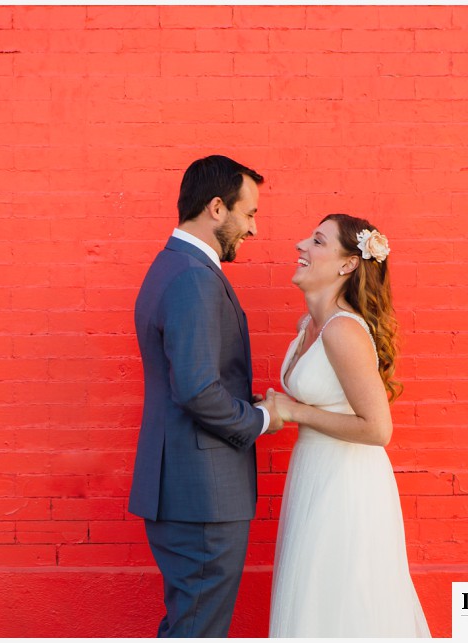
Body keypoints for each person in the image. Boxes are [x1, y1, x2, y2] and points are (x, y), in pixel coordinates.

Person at [129, 155, 285, 637]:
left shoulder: (173, 267)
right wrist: (260, 420)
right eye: (250, 213)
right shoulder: (194, 277)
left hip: (188, 492)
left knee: (190, 625)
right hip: (203, 498)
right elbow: (197, 390)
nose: (253, 230)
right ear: (217, 208)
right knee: (199, 630)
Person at [267, 214, 431, 637]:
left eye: (317, 241)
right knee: (314, 603)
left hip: (346, 485)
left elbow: (378, 430)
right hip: (315, 473)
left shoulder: (343, 331)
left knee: (344, 603)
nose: (301, 246)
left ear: (348, 264)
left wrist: (294, 412)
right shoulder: (309, 327)